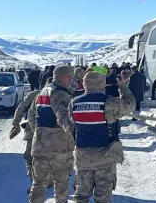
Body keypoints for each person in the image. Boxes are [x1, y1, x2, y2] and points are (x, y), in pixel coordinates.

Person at [69, 70, 136, 203]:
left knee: (81, 196)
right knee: (103, 198)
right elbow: (130, 104)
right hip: (105, 157)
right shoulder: (110, 103)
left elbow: (72, 122)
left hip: (83, 158)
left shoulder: (74, 103)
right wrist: (122, 86)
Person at [27, 65, 76, 203]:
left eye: (72, 76)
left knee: (38, 184)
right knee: (61, 183)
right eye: (69, 76)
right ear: (59, 76)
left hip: (40, 146)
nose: (71, 80)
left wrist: (41, 132)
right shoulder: (61, 93)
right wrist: (75, 134)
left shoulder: (42, 92)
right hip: (59, 148)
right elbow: (63, 118)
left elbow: (31, 116)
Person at [9, 88, 41, 193]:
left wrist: (16, 123)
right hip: (56, 133)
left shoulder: (34, 94)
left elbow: (21, 107)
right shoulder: (63, 93)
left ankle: (34, 183)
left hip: (33, 130)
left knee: (30, 156)